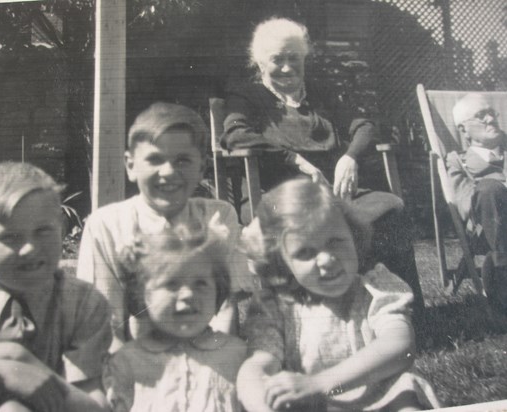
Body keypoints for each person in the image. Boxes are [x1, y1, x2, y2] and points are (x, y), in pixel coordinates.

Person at [221, 17, 425, 328]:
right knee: (334, 222)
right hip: (279, 194)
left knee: (390, 208)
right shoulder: (247, 97)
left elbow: (364, 126)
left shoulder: (321, 94)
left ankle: (407, 315)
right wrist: (296, 160)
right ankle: (338, 322)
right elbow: (236, 135)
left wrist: (350, 157)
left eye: (294, 59)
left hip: (335, 191)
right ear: (261, 62)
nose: (287, 68)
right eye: (278, 59)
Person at [237, 177, 440, 412]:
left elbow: (399, 345)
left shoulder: (375, 289)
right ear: (282, 262)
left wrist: (319, 383)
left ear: (354, 236)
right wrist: (259, 401)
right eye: (305, 252)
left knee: (406, 393)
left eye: (335, 242)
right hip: (315, 405)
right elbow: (258, 364)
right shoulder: (277, 306)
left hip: (381, 398)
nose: (327, 259)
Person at [77, 102, 252, 351]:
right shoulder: (106, 225)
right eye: (155, 159)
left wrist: (219, 365)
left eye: (182, 161)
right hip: (135, 361)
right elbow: (107, 323)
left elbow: (226, 310)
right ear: (131, 166)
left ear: (201, 168)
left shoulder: (218, 215)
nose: (168, 172)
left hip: (208, 355)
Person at [0, 161, 112, 412]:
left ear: (62, 231)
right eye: (11, 237)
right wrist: (0, 365)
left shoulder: (84, 305)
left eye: (43, 231)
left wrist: (31, 370)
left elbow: (94, 405)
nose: (30, 248)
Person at [102, 220, 247, 412]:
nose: (188, 294)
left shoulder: (238, 355)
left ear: (218, 290)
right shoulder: (127, 362)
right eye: (171, 284)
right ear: (143, 294)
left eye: (201, 283)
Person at [447, 93, 507, 312]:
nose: (491, 119)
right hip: (490, 229)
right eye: (481, 115)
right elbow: (464, 205)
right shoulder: (458, 161)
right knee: (489, 189)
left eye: (492, 113)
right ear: (464, 130)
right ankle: (502, 275)